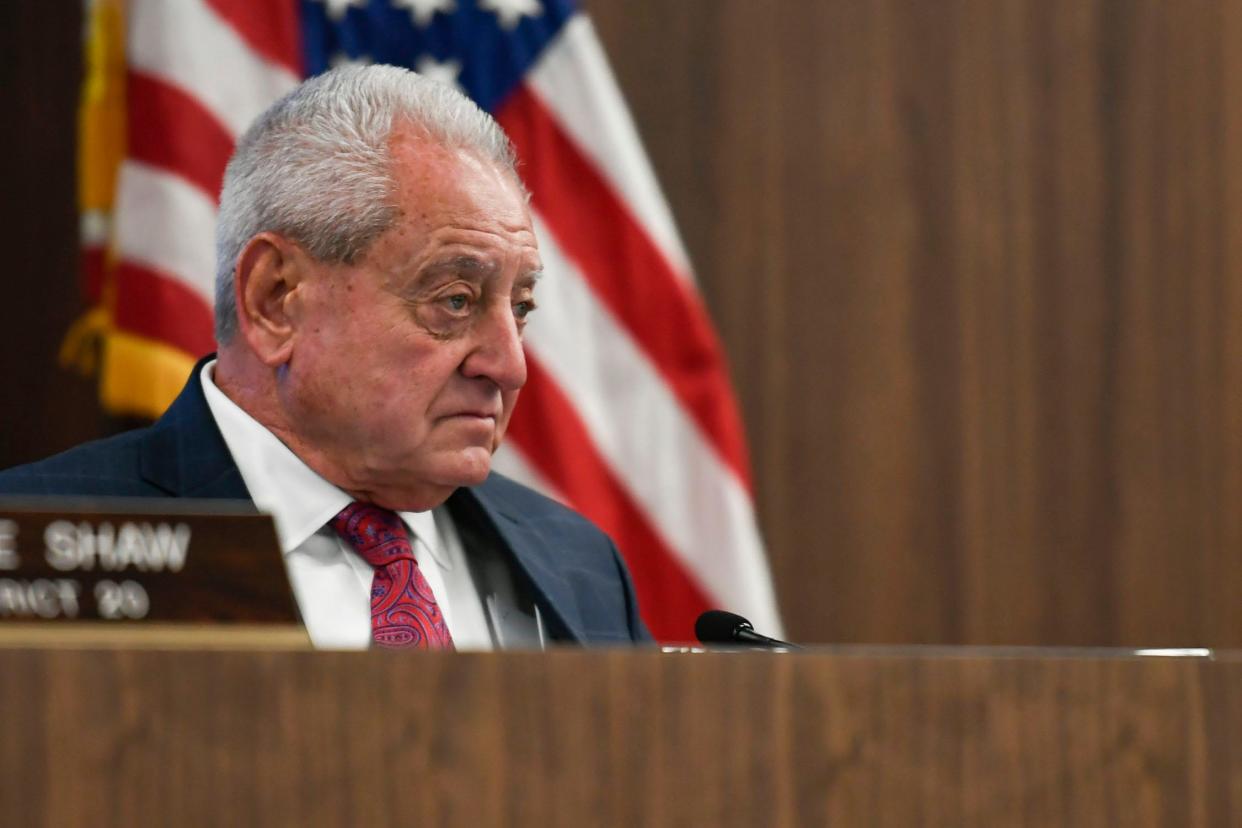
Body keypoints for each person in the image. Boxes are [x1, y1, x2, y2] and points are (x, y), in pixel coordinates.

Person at [0, 65, 651, 649]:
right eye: (455, 300)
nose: (509, 367)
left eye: (520, 309)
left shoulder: (580, 566)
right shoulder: (36, 542)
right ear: (275, 299)